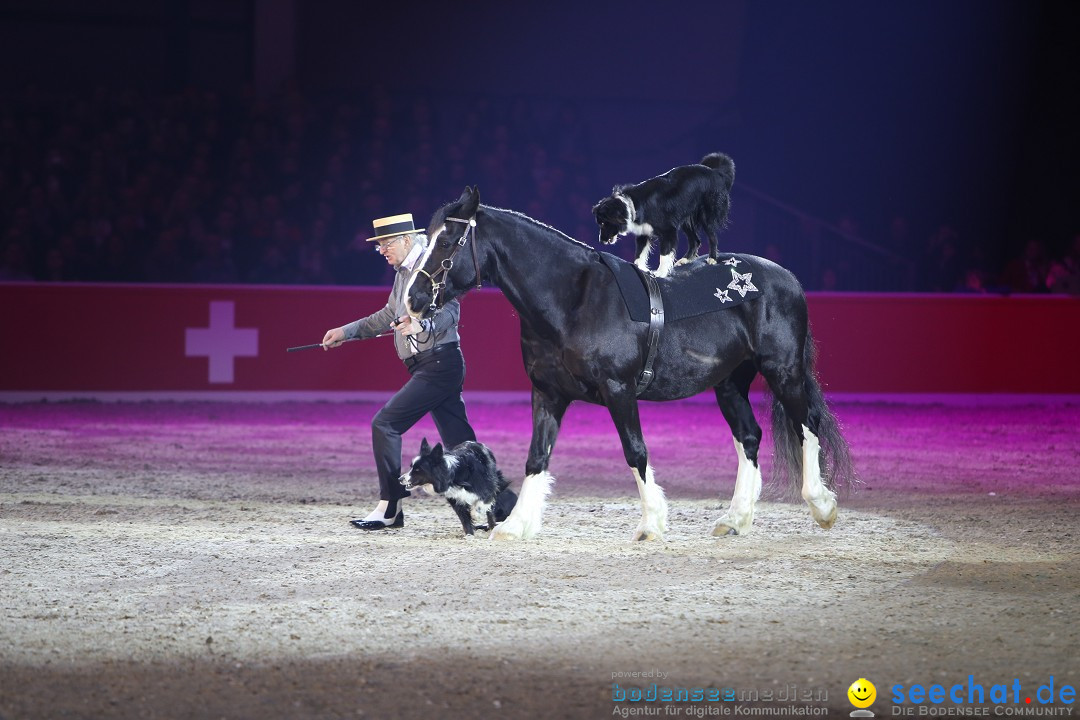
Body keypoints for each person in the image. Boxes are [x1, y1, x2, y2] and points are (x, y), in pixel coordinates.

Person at [321, 213, 476, 530]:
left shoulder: (433, 265)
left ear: (406, 240)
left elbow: (452, 308)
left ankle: (390, 506)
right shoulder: (403, 272)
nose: (381, 251)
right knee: (461, 443)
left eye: (385, 244)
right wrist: (346, 331)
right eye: (378, 245)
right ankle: (500, 506)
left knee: (385, 424)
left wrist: (422, 324)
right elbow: (389, 315)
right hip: (430, 365)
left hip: (438, 364)